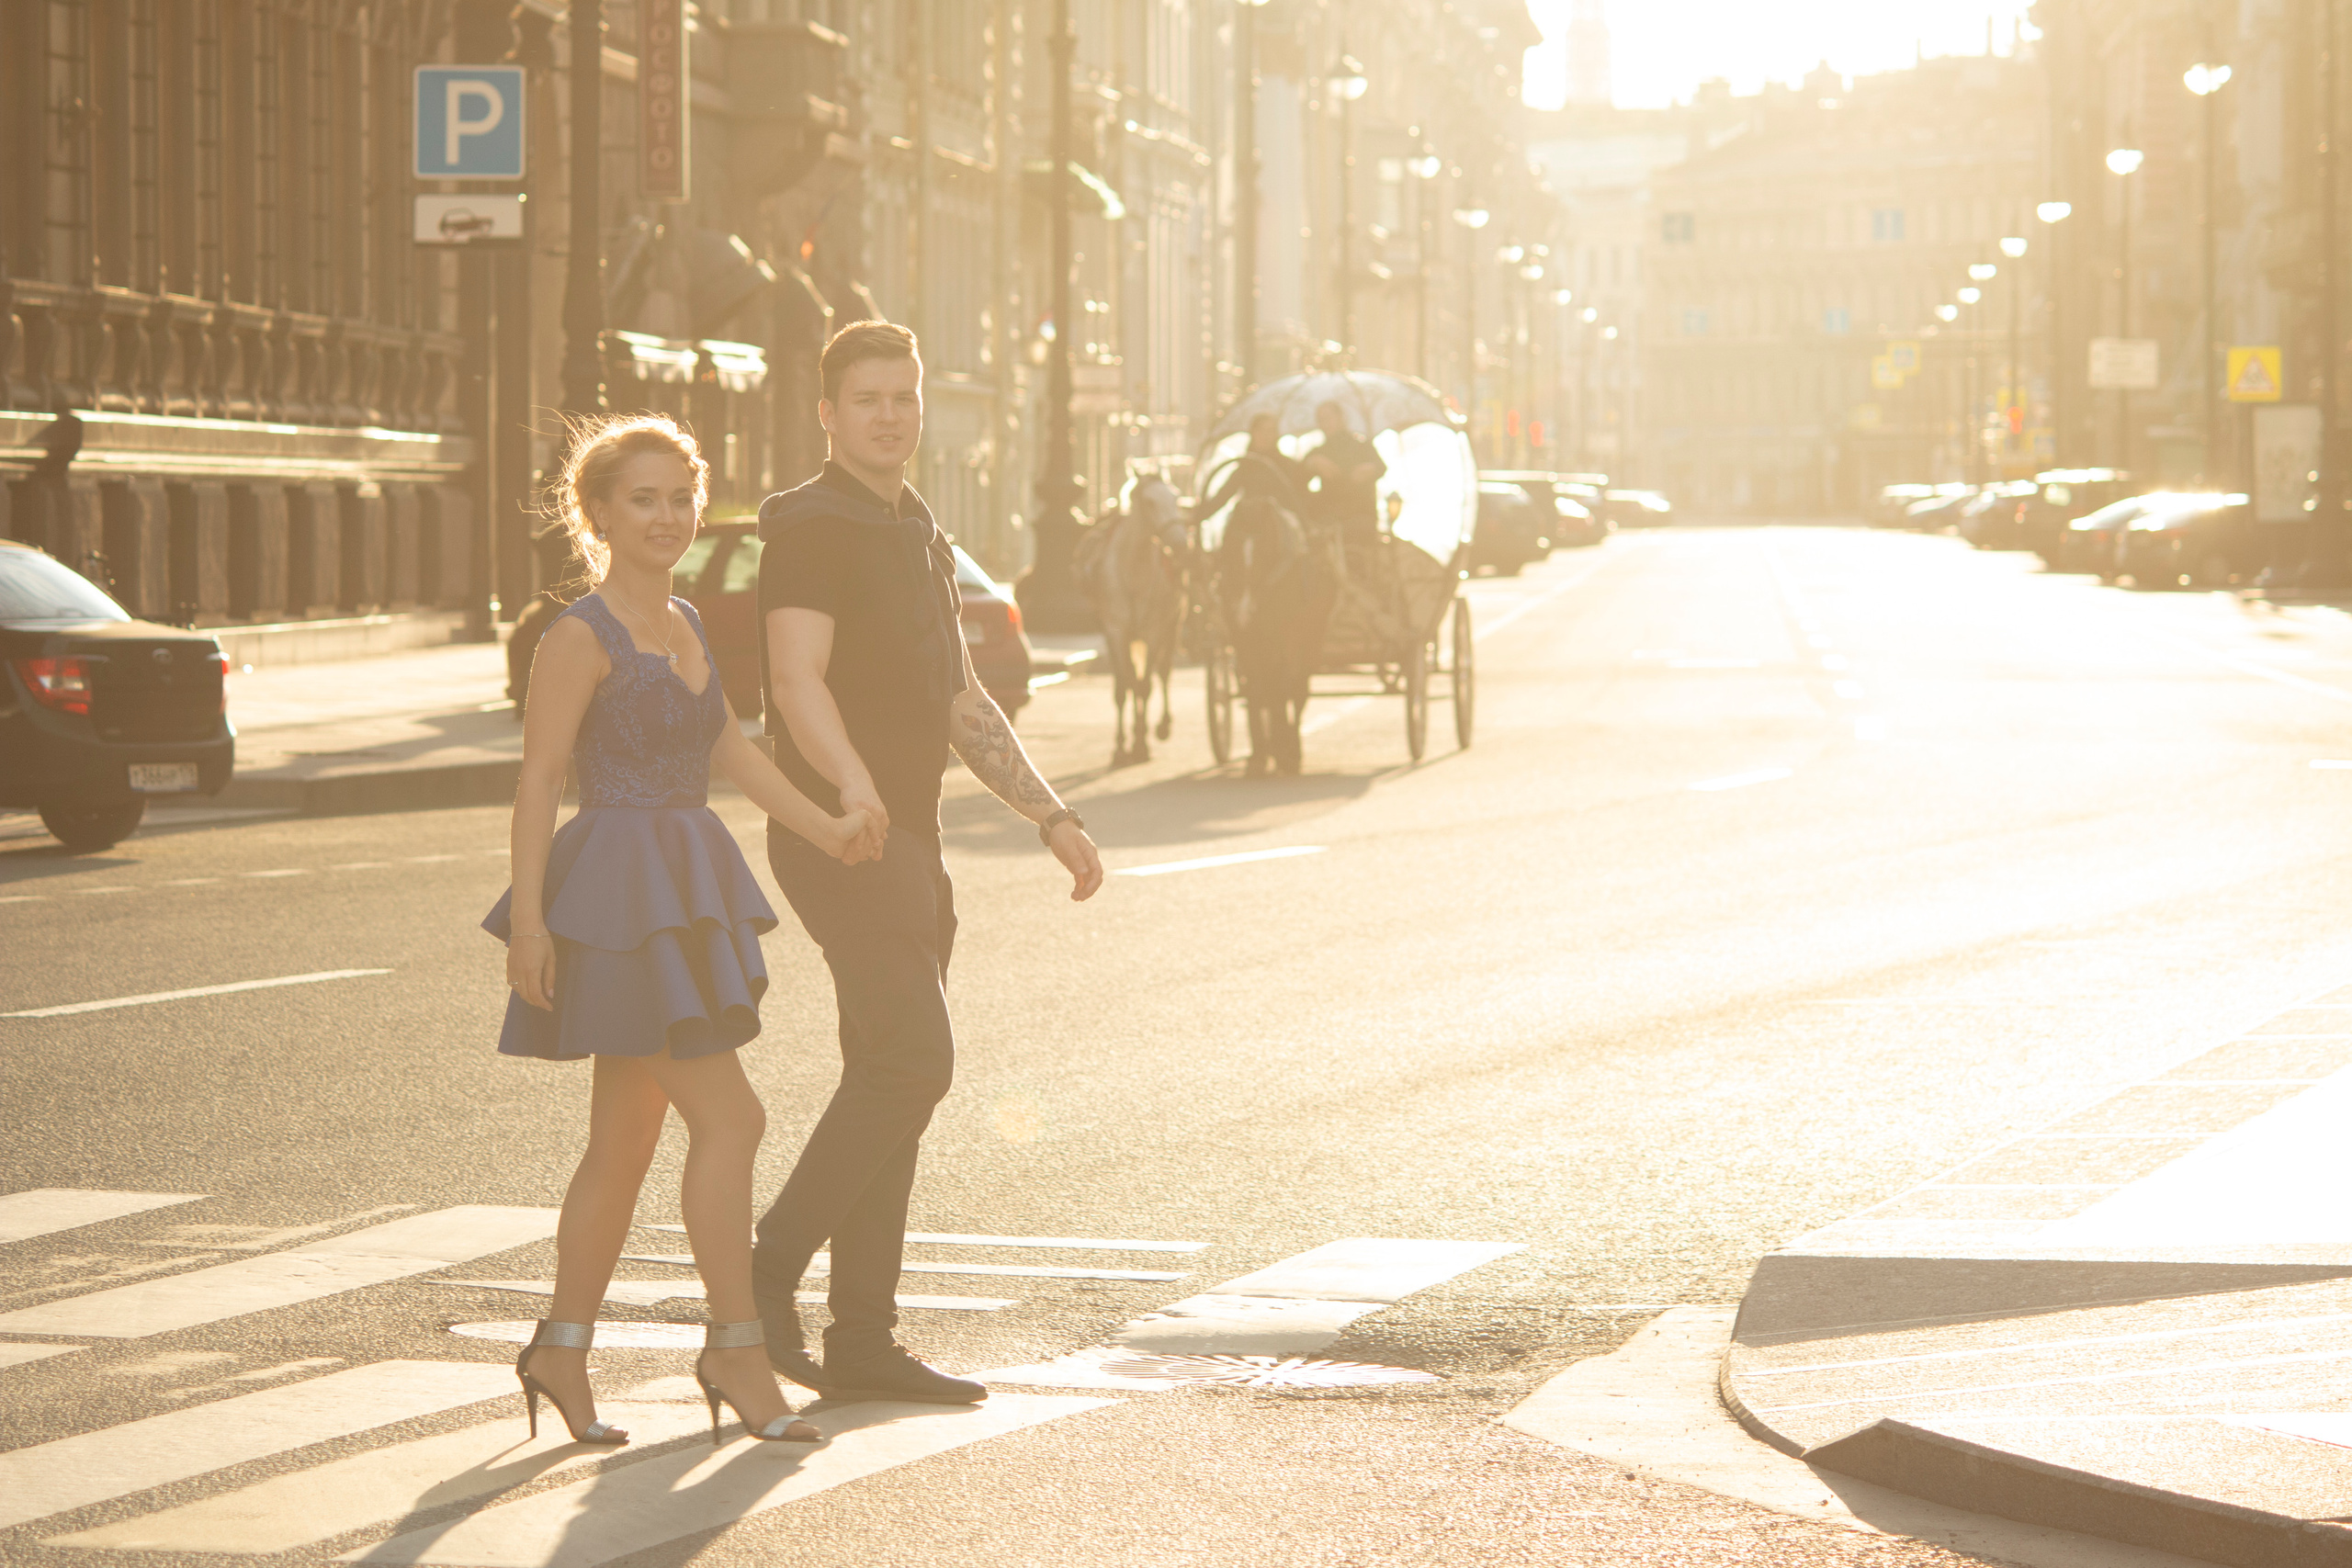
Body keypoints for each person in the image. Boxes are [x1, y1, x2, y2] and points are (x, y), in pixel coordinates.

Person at [484, 412, 876, 1450]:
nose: (666, 517)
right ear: (599, 514)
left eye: (680, 497)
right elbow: (535, 783)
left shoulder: (690, 620)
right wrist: (530, 925)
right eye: (642, 500)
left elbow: (734, 755)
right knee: (732, 1121)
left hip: (682, 882)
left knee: (624, 1139)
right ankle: (735, 1347)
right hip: (616, 897)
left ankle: (560, 1349)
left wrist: (829, 827)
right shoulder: (577, 636)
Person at [751, 321, 1104, 1404]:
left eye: (903, 395)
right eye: (867, 398)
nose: (891, 414)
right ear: (827, 412)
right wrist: (852, 785)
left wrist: (1051, 815)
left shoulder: (914, 529)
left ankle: (862, 1339)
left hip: (912, 837)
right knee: (915, 1064)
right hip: (841, 833)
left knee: (888, 1080)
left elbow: (962, 699)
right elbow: (795, 677)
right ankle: (766, 1268)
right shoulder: (810, 527)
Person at [1301, 400, 1386, 553]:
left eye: (1328, 418)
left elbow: (1381, 467)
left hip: (1361, 518)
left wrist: (1371, 469)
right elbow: (1297, 478)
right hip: (1330, 519)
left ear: (1341, 418)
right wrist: (1312, 463)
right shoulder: (1319, 452)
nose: (1324, 424)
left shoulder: (1362, 447)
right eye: (1320, 420)